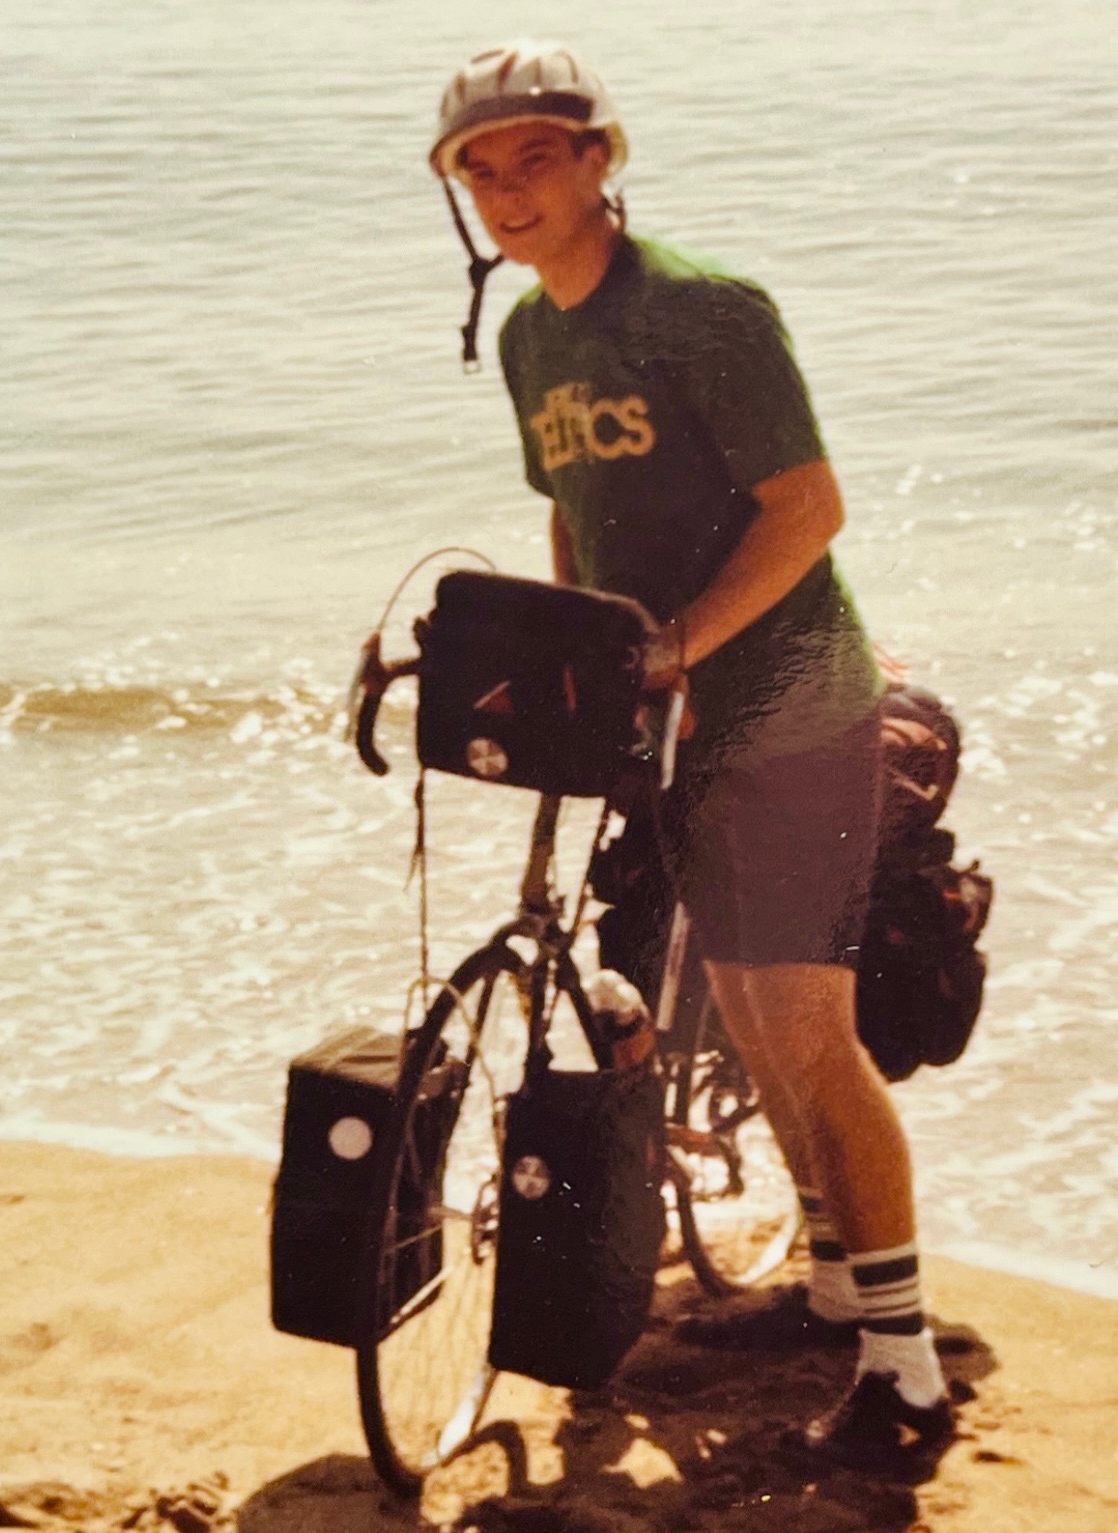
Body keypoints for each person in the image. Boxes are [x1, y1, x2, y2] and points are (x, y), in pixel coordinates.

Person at [428, 39, 954, 1472]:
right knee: (747, 1020)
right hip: (674, 725)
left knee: (805, 1034)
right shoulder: (531, 337)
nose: (508, 190)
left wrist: (679, 646)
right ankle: (835, 1286)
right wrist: (575, 650)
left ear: (599, 159)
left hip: (792, 711)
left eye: (537, 156)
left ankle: (904, 1369)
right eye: (480, 169)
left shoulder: (704, 311)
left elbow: (809, 509)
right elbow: (571, 513)